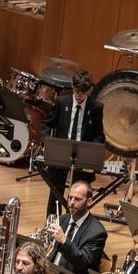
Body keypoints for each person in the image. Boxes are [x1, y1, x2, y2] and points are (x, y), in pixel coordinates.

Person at [40, 70, 104, 204]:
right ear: (72, 86)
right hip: (61, 155)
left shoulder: (96, 107)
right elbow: (46, 125)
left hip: (83, 157)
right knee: (55, 195)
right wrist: (47, 144)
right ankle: (51, 223)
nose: (80, 95)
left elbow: (99, 135)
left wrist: (91, 150)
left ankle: (76, 222)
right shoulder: (61, 102)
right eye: (77, 91)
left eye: (83, 92)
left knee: (80, 197)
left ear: (89, 90)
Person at [48, 180, 108, 274]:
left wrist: (64, 240)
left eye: (77, 199)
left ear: (89, 201)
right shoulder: (62, 220)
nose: (71, 202)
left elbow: (82, 262)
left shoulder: (97, 232)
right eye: (70, 197)